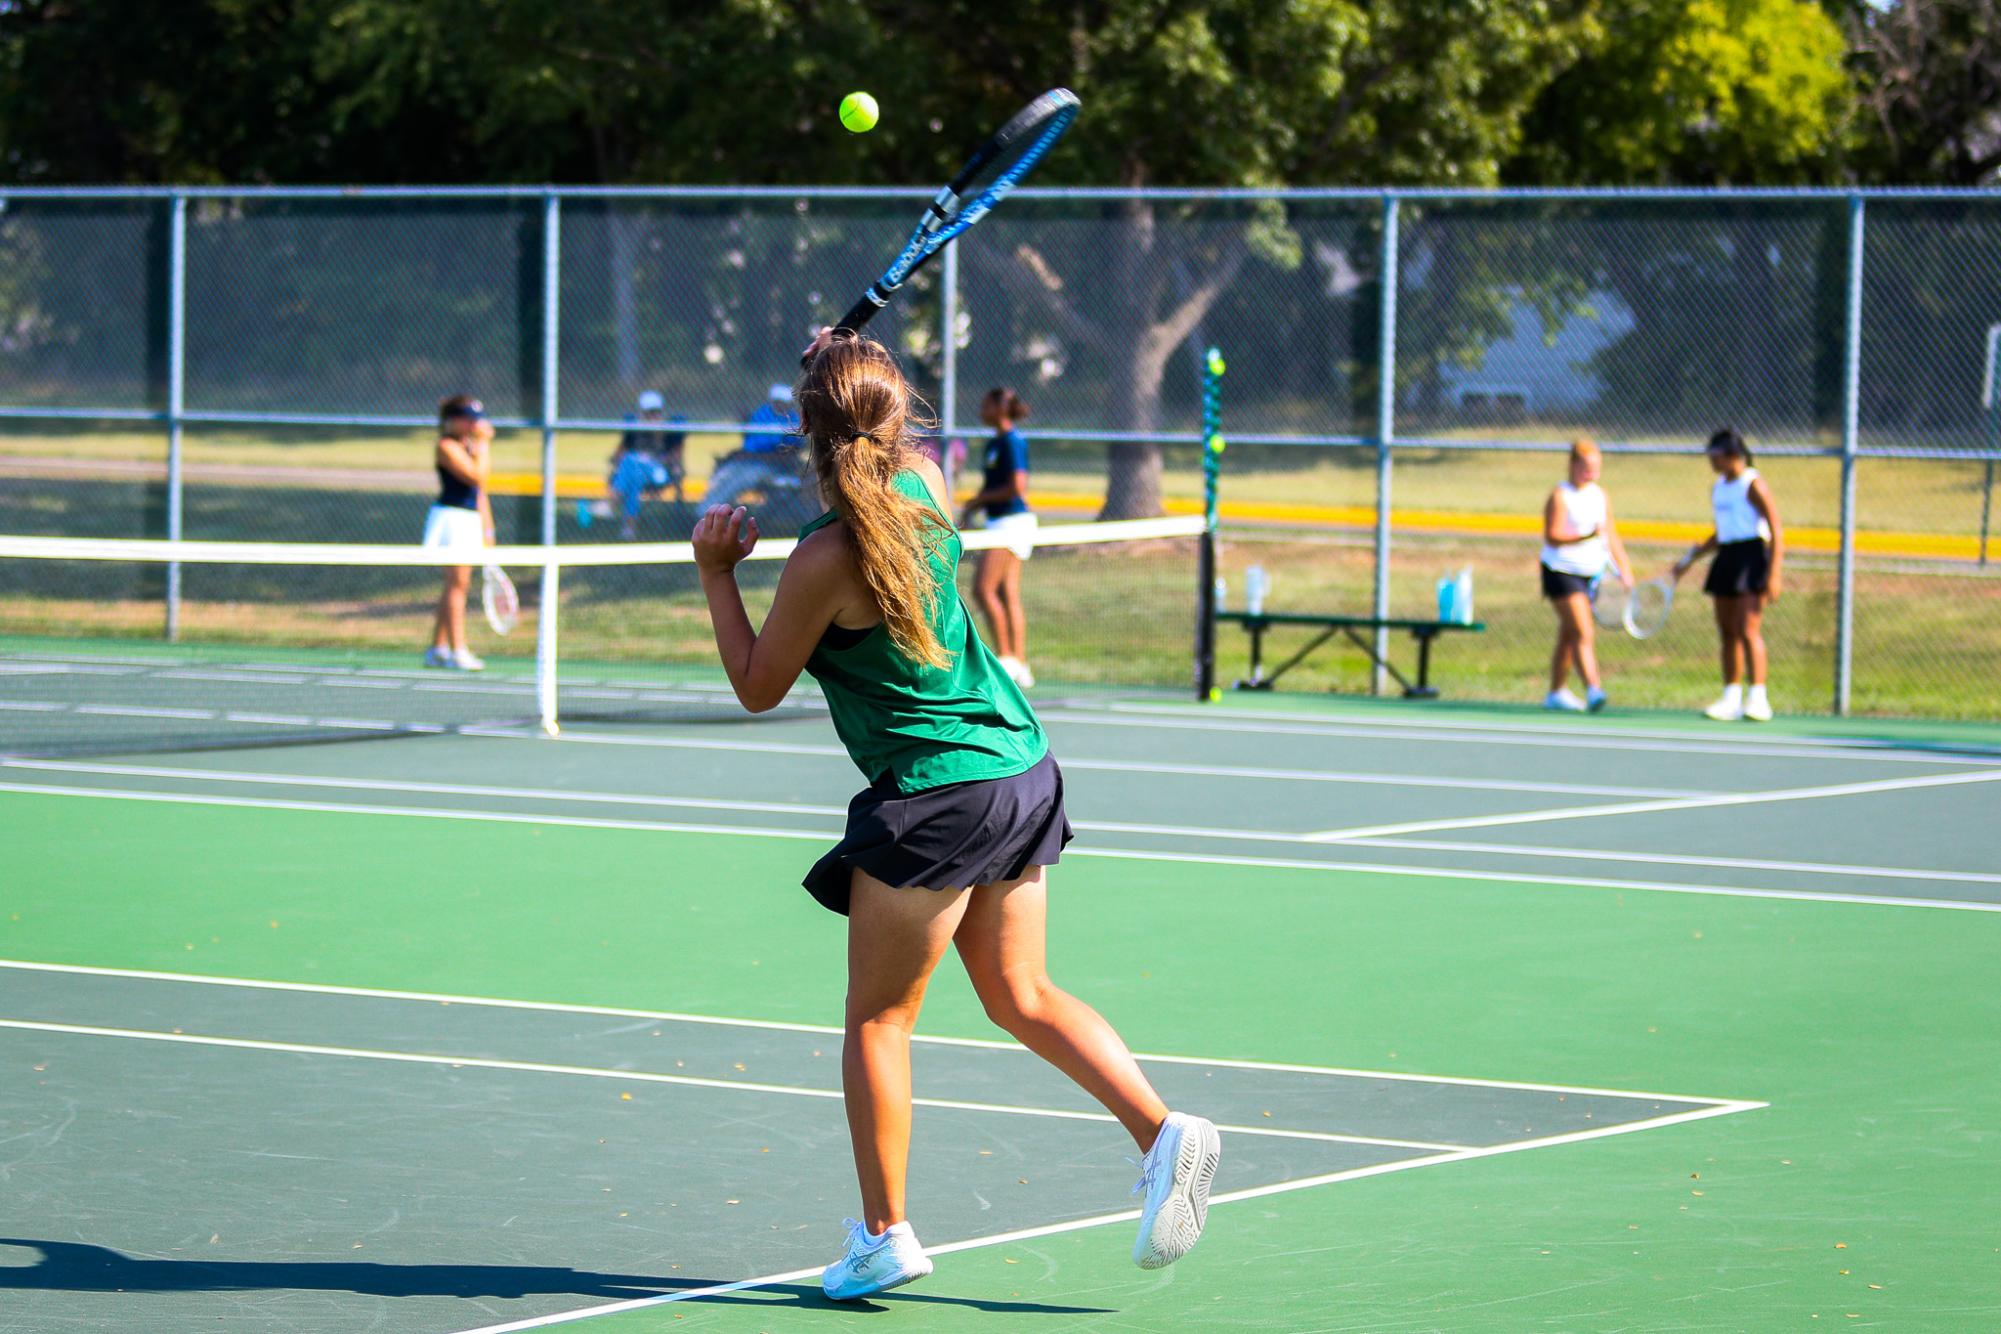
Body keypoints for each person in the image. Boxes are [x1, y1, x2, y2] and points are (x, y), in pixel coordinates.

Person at [689, 329, 1219, 1302]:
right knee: (1022, 991)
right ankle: (1160, 1128)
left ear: (807, 425)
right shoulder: (928, 485)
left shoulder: (820, 559)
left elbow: (760, 684)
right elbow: (872, 432)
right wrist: (847, 359)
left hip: (935, 797)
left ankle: (884, 1232)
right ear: (897, 415)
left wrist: (717, 571)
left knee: (879, 1019)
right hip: (1018, 766)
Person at [1671, 428, 1785, 722]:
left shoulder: (1753, 484)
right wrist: (1689, 560)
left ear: (1733, 455)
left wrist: (1774, 574)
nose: (1712, 461)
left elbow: (1776, 529)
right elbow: (1721, 533)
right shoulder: (1719, 487)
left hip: (1752, 557)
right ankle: (1730, 697)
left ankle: (1758, 698)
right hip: (1727, 558)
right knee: (1727, 632)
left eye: (1716, 455)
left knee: (1748, 630)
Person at [1539, 438, 1632, 712]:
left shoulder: (1600, 495)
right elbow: (1552, 536)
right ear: (1573, 464)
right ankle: (1594, 689)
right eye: (1587, 468)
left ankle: (1556, 692)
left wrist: (1624, 568)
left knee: (1569, 635)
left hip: (1589, 575)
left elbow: (1610, 534)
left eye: (1596, 468)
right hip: (1560, 571)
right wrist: (1585, 536)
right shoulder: (1560, 495)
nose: (1592, 474)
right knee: (1582, 630)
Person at [959, 387, 1037, 689]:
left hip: (1012, 524)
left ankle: (1008, 658)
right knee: (1006, 593)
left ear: (1000, 408)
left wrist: (977, 502)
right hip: (998, 522)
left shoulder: (1013, 443)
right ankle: (1019, 663)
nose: (981, 409)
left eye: (986, 405)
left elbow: (1017, 487)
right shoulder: (994, 442)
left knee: (983, 589)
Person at [421, 394, 493, 671]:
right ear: (453, 420)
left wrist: (487, 527)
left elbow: (480, 493)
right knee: (457, 587)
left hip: (469, 519)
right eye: (469, 418)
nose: (475, 424)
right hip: (451, 519)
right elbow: (478, 477)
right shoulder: (446, 446)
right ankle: (457, 650)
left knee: (454, 586)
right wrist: (485, 444)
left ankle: (437, 648)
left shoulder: (469, 446)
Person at [706, 383, 806, 513]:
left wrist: (753, 456)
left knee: (741, 478)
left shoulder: (792, 421)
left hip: (769, 467)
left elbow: (787, 456)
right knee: (723, 475)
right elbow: (750, 441)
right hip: (746, 462)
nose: (779, 405)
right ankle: (706, 512)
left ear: (788, 403)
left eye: (783, 402)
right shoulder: (763, 413)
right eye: (776, 401)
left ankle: (711, 513)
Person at [603, 391, 686, 539]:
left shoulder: (670, 431)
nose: (653, 417)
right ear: (641, 413)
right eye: (649, 413)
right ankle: (629, 529)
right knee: (635, 475)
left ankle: (612, 503)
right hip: (637, 473)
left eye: (656, 413)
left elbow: (675, 459)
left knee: (631, 460)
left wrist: (650, 458)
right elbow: (618, 456)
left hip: (660, 473)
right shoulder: (634, 431)